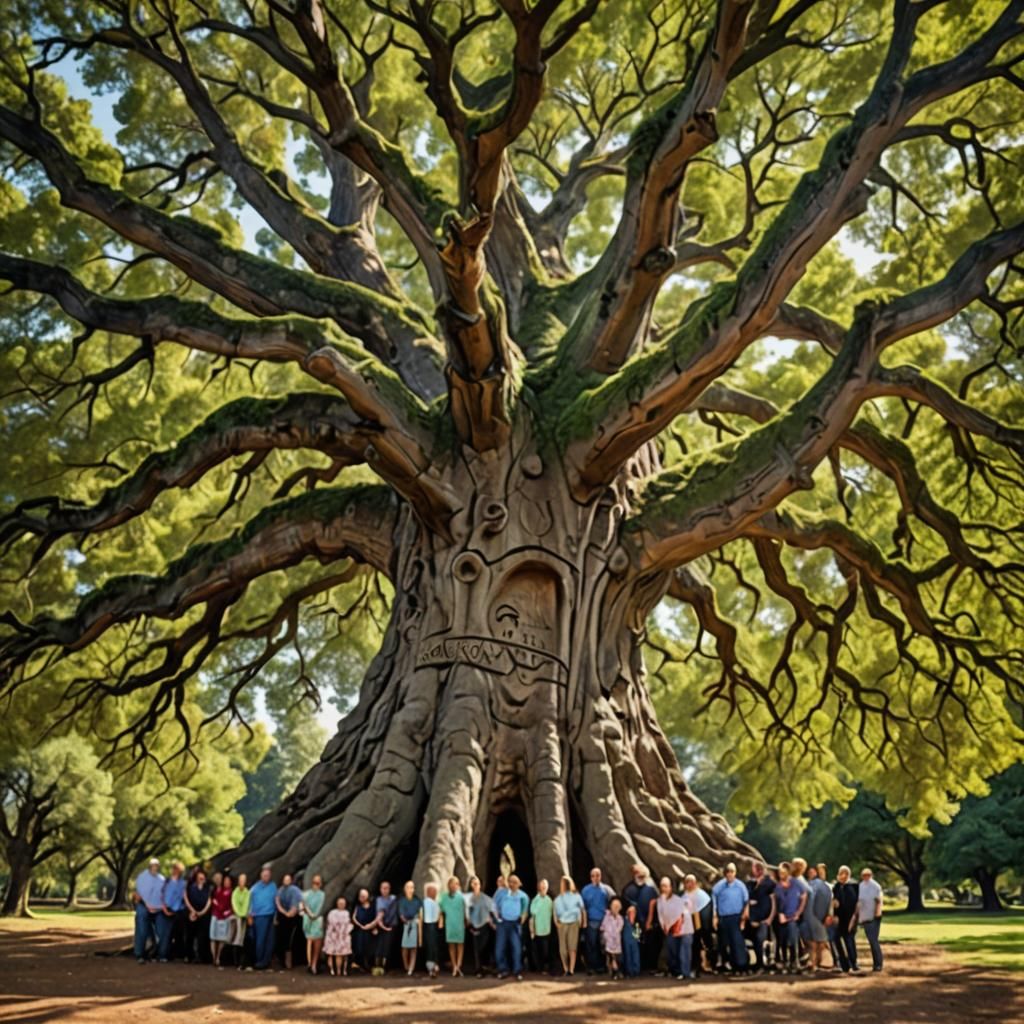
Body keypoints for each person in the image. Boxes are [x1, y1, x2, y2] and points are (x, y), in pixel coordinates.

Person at [712, 862, 750, 973]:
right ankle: (727, 965)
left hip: (736, 917)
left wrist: (744, 918)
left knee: (737, 942)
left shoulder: (740, 886)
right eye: (727, 872)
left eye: (732, 872)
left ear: (735, 873)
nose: (729, 874)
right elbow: (714, 901)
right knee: (724, 942)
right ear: (725, 873)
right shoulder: (719, 886)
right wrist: (715, 917)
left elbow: (746, 901)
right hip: (723, 917)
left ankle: (741, 966)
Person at [656, 876, 695, 980]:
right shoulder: (660, 900)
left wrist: (672, 927)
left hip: (684, 928)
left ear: (670, 887)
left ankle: (685, 973)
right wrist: (665, 927)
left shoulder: (678, 899)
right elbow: (661, 915)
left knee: (684, 952)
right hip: (671, 929)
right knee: (672, 951)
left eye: (665, 886)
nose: (663, 888)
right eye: (662, 886)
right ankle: (677, 972)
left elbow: (680, 915)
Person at [623, 864, 659, 974]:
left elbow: (655, 904)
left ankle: (651, 966)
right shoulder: (629, 889)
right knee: (638, 943)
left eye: (643, 875)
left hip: (651, 923)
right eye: (638, 874)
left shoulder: (651, 889)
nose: (641, 877)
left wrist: (650, 921)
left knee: (652, 944)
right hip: (636, 923)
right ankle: (639, 966)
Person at [580, 867, 615, 974]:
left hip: (605, 921)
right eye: (593, 876)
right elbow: (582, 907)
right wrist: (583, 922)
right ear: (590, 877)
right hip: (591, 921)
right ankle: (592, 967)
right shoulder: (586, 890)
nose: (595, 878)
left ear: (601, 876)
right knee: (591, 944)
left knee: (604, 945)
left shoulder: (606, 889)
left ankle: (603, 966)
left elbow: (614, 901)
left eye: (597, 875)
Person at [495, 873, 529, 980]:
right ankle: (503, 969)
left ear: (519, 884)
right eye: (510, 882)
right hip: (503, 923)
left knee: (517, 948)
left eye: (515, 882)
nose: (512, 884)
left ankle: (517, 970)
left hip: (515, 924)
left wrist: (521, 920)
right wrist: (497, 919)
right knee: (500, 948)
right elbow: (494, 906)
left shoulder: (523, 896)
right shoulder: (501, 893)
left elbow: (525, 910)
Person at [774, 862, 807, 973]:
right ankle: (785, 963)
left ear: (788, 872)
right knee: (782, 940)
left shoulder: (796, 883)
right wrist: (779, 913)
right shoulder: (778, 886)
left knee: (793, 940)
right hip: (782, 917)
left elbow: (804, 896)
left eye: (783, 872)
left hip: (793, 917)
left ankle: (795, 962)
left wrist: (799, 912)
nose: (780, 874)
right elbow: (776, 901)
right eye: (779, 872)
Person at [744, 861, 775, 973]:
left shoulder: (769, 884)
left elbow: (773, 901)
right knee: (750, 940)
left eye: (756, 868)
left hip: (764, 919)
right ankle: (754, 963)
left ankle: (761, 965)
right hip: (751, 918)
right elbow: (746, 900)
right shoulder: (750, 884)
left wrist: (769, 918)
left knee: (760, 940)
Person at [133, 858, 165, 963]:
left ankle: (154, 953)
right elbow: (138, 895)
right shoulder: (142, 877)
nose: (155, 867)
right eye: (153, 865)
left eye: (156, 865)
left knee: (161, 931)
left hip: (158, 908)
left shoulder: (161, 879)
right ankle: (139, 954)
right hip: (143, 905)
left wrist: (159, 907)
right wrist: (147, 905)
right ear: (150, 866)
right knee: (141, 928)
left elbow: (163, 895)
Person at [553, 875, 585, 977]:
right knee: (563, 948)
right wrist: (556, 922)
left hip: (573, 923)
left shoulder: (576, 896)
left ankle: (571, 969)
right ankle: (565, 968)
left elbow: (582, 909)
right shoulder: (558, 898)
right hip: (562, 923)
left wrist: (582, 921)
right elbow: (554, 911)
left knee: (572, 947)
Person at [248, 864, 278, 971]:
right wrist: (249, 915)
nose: (266, 877)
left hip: (271, 915)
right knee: (260, 939)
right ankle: (259, 961)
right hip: (259, 916)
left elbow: (276, 900)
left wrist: (276, 915)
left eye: (268, 875)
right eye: (264, 875)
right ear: (261, 876)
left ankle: (266, 961)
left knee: (270, 940)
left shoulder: (273, 886)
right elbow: (249, 902)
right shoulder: (254, 888)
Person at [156, 860, 187, 962]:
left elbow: (183, 897)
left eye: (176, 869)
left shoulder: (183, 883)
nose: (174, 871)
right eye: (174, 868)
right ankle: (163, 955)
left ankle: (176, 955)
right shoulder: (166, 882)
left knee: (177, 934)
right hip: (166, 909)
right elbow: (161, 896)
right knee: (165, 934)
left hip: (177, 911)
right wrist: (164, 908)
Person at [854, 867, 884, 972]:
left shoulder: (875, 886)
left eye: (868, 875)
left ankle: (878, 964)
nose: (866, 877)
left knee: (873, 940)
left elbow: (878, 901)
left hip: (873, 917)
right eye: (864, 875)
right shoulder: (861, 886)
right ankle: (876, 964)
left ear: (871, 875)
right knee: (871, 941)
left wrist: (876, 914)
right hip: (864, 917)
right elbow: (859, 901)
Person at [831, 864, 860, 972]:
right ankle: (844, 964)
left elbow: (858, 903)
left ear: (848, 875)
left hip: (851, 918)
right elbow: (834, 901)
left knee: (849, 940)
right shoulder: (836, 887)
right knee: (836, 939)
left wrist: (855, 918)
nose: (841, 876)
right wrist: (834, 914)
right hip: (839, 919)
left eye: (843, 873)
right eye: (840, 873)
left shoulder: (855, 886)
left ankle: (854, 963)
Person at [465, 875, 494, 977]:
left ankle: (484, 967)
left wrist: (492, 924)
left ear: (480, 885)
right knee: (475, 948)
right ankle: (478, 970)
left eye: (477, 883)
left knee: (483, 947)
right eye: (473, 883)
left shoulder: (485, 899)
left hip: (484, 926)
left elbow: (491, 911)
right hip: (472, 926)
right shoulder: (467, 898)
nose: (475, 885)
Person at [805, 864, 833, 971]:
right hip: (813, 917)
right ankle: (814, 963)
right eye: (809, 872)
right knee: (813, 942)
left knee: (820, 942)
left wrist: (828, 915)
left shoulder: (824, 886)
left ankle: (820, 962)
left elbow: (829, 902)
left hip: (819, 917)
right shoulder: (809, 885)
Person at [439, 875, 467, 977]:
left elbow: (465, 910)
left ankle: (458, 966)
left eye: (456, 884)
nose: (453, 886)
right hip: (450, 923)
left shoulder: (461, 897)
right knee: (451, 945)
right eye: (452, 884)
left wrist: (465, 921)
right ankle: (454, 965)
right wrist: (441, 921)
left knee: (460, 944)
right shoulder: (444, 897)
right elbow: (441, 910)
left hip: (459, 923)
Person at [275, 872, 303, 969]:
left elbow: (295, 907)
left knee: (290, 941)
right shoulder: (280, 890)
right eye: (285, 879)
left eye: (288, 879)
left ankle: (290, 962)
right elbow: (277, 903)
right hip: (283, 917)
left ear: (291, 881)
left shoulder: (295, 890)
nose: (286, 881)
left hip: (293, 918)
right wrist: (284, 913)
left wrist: (290, 913)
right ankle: (282, 962)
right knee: (282, 939)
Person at [184, 867, 211, 964]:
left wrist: (202, 912)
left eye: (203, 878)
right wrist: (192, 910)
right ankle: (189, 956)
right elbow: (185, 897)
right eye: (200, 878)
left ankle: (201, 956)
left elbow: (209, 900)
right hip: (192, 912)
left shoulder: (207, 888)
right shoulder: (190, 886)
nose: (202, 880)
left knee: (202, 937)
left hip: (203, 914)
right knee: (190, 935)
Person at [301, 873, 326, 974]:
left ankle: (314, 964)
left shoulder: (322, 894)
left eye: (318, 883)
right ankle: (309, 963)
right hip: (307, 919)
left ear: (321, 884)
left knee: (317, 943)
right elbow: (304, 904)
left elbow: (320, 907)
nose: (315, 884)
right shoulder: (306, 894)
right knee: (309, 942)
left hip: (317, 919)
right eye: (314, 882)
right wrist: (310, 913)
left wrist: (314, 915)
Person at [791, 858, 813, 968]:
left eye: (797, 866)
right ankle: (803, 959)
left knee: (805, 937)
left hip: (803, 913)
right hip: (799, 913)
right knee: (798, 938)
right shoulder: (797, 879)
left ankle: (809, 960)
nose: (794, 867)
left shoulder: (799, 880)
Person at [372, 880, 398, 975]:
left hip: (390, 925)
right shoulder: (378, 900)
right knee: (379, 946)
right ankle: (377, 966)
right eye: (383, 888)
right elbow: (379, 912)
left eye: (387, 888)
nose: (385, 890)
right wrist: (375, 925)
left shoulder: (393, 899)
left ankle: (385, 966)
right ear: (380, 889)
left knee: (387, 946)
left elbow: (384, 911)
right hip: (379, 926)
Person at [529, 878, 554, 974]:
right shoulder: (535, 900)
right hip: (537, 930)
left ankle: (546, 968)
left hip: (547, 929)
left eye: (545, 886)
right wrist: (533, 930)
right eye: (542, 886)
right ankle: (539, 968)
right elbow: (533, 914)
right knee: (538, 950)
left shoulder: (549, 900)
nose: (543, 888)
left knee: (546, 950)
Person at [398, 880, 423, 977]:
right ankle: (406, 966)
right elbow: (401, 914)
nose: (410, 889)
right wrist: (405, 920)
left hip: (415, 924)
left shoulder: (417, 901)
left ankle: (411, 968)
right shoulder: (402, 901)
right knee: (404, 947)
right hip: (406, 925)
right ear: (405, 889)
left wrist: (418, 921)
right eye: (407, 887)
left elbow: (420, 913)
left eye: (411, 887)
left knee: (413, 948)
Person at [323, 896, 353, 977]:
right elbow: (329, 923)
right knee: (331, 954)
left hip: (343, 936)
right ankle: (332, 970)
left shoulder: (347, 913)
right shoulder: (332, 912)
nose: (341, 905)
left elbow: (349, 924)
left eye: (343, 903)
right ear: (337, 903)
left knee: (343, 955)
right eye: (340, 903)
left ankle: (342, 970)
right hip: (333, 935)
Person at [209, 873, 233, 968]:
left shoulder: (231, 892)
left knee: (221, 938)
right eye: (225, 880)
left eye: (228, 881)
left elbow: (231, 905)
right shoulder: (218, 890)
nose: (226, 882)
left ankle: (218, 957)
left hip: (224, 916)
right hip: (215, 915)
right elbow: (214, 900)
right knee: (213, 937)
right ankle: (213, 957)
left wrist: (227, 912)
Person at [352, 888, 377, 972]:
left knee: (369, 948)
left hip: (370, 930)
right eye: (361, 895)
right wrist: (360, 925)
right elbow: (354, 917)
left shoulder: (373, 906)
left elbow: (376, 917)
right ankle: (360, 965)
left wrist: (372, 926)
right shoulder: (357, 906)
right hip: (360, 930)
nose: (362, 897)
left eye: (364, 895)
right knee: (359, 948)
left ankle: (368, 965)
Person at [600, 896, 625, 979]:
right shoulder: (607, 917)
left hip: (617, 941)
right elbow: (604, 927)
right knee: (611, 957)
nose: (616, 908)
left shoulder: (620, 918)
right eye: (614, 906)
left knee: (618, 958)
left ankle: (617, 971)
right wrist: (607, 937)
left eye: (618, 907)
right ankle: (614, 972)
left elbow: (619, 928)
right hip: (608, 940)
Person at [422, 882, 443, 978]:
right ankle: (431, 967)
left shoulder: (435, 902)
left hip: (434, 926)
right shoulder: (426, 902)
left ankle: (434, 965)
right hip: (429, 926)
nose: (435, 893)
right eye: (433, 891)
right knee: (431, 947)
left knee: (434, 947)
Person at [621, 902, 642, 978]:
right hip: (626, 940)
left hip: (634, 941)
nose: (632, 913)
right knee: (628, 955)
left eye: (634, 912)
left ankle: (636, 971)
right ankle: (629, 972)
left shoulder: (637, 922)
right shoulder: (624, 919)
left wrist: (638, 937)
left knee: (635, 955)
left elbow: (638, 932)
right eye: (630, 912)